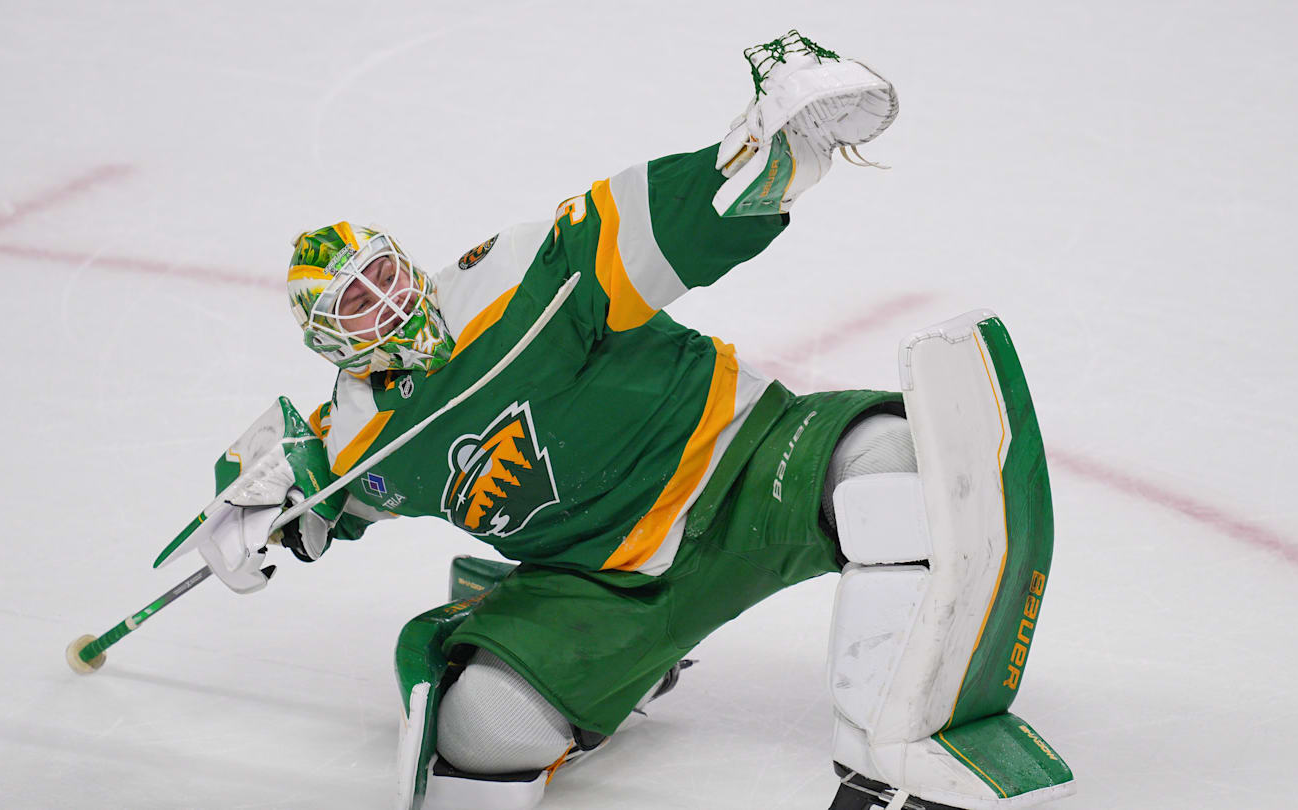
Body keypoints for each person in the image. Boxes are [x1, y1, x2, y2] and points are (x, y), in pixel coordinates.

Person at [257, 31, 1073, 810]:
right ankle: (567, 651)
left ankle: (894, 755)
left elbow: (651, 223)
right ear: (327, 336)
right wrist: (257, 507)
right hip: (603, 588)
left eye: (384, 275)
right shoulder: (360, 438)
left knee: (896, 478)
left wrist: (761, 161)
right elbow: (284, 479)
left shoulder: (512, 279)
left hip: (748, 461)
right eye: (354, 304)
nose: (386, 303)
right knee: (482, 737)